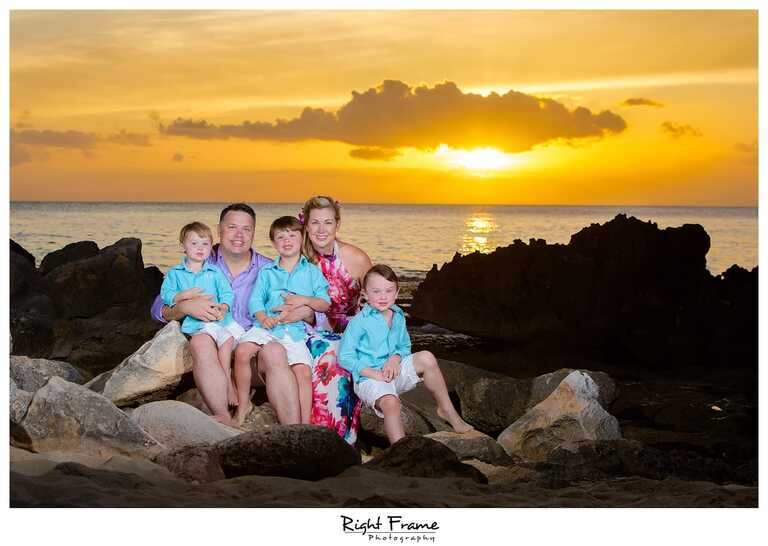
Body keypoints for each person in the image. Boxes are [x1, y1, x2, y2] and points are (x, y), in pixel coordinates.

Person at [150, 203, 313, 427]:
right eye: (232, 227)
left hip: (252, 356)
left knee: (275, 350)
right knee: (200, 341)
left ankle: (295, 432)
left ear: (254, 233)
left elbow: (307, 310)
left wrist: (304, 310)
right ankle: (223, 418)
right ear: (219, 230)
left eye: (246, 229)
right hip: (215, 353)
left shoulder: (269, 269)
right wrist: (185, 308)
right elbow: (158, 308)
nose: (239, 235)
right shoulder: (200, 262)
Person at [339, 265, 473, 444]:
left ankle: (446, 410)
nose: (383, 296)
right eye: (376, 291)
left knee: (426, 357)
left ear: (397, 292)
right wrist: (374, 374)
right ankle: (400, 449)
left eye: (388, 291)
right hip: (370, 379)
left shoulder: (398, 316)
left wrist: (395, 359)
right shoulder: (359, 323)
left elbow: (404, 346)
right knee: (391, 403)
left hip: (394, 373)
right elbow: (345, 357)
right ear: (364, 294)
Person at [235, 216, 330, 426]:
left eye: (292, 235)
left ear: (302, 237)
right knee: (242, 351)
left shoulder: (312, 271)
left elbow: (325, 303)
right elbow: (256, 300)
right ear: (273, 243)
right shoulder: (267, 272)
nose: (287, 240)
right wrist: (262, 317)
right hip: (266, 325)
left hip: (294, 330)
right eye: (280, 237)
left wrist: (303, 300)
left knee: (303, 372)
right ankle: (243, 404)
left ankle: (305, 424)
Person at [299, 196, 373, 444]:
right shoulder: (298, 257)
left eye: (328, 222)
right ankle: (316, 436)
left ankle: (342, 439)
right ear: (306, 225)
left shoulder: (355, 258)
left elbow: (377, 302)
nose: (321, 230)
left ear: (337, 225)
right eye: (315, 223)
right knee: (325, 355)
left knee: (342, 356)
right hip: (309, 328)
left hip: (350, 329)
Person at [160, 221, 243, 409]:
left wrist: (224, 306)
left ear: (211, 249)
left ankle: (228, 380)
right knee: (216, 344)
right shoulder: (175, 273)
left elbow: (227, 293)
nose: (200, 248)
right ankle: (226, 385)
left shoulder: (215, 272)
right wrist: (183, 296)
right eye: (194, 243)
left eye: (205, 244)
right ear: (183, 246)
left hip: (220, 319)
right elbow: (166, 295)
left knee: (227, 342)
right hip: (199, 324)